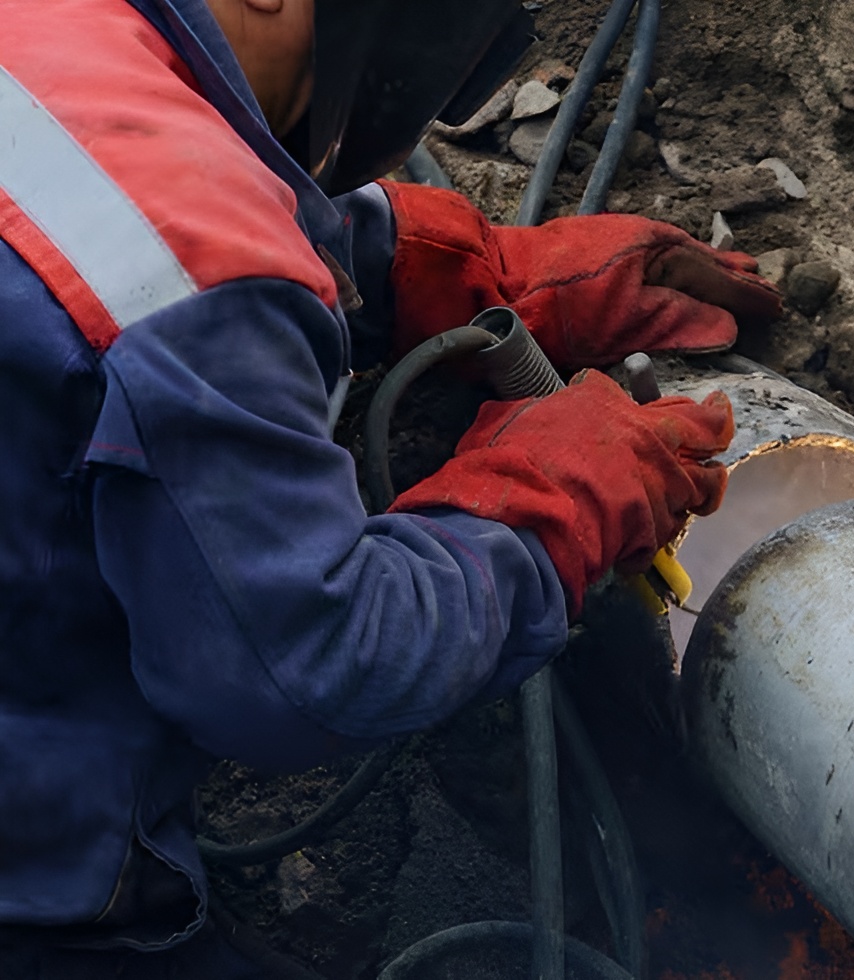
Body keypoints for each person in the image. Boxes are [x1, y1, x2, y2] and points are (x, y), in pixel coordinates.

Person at [0, 0, 781, 974]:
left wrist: (431, 262)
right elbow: (312, 667)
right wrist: (552, 498)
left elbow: (98, 203)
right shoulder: (182, 276)